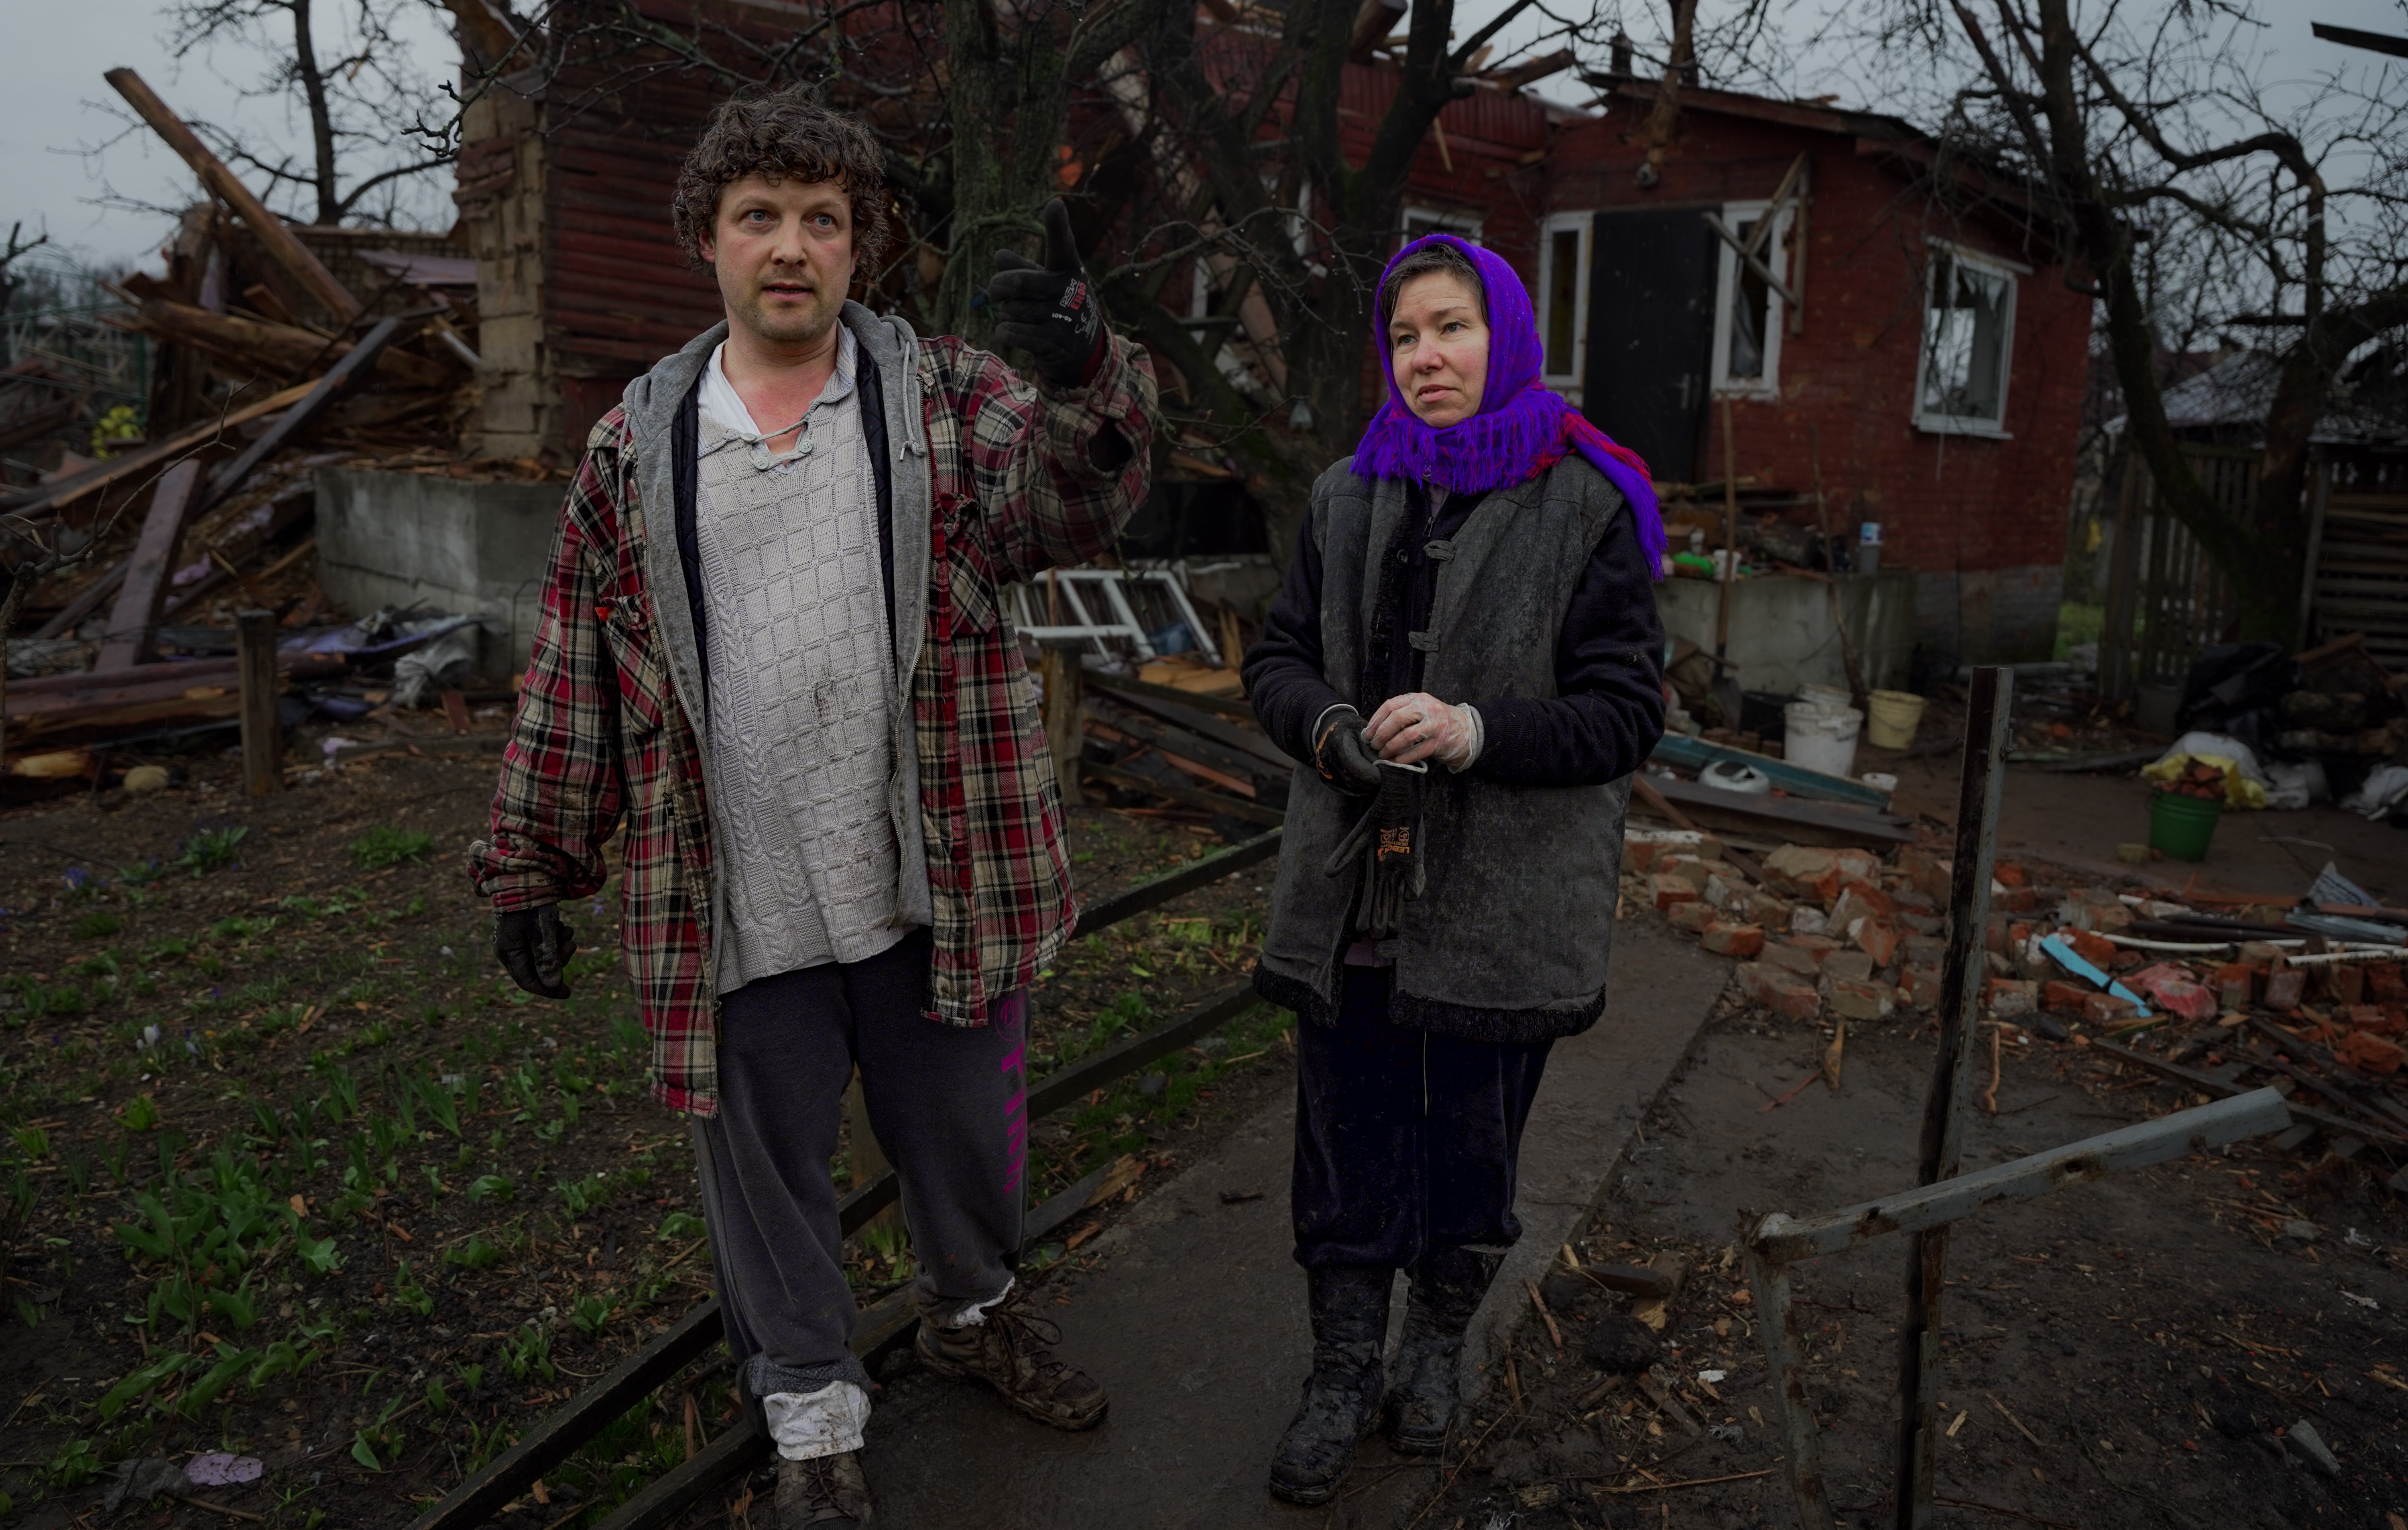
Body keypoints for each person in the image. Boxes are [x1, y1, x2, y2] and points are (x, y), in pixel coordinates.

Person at [468, 89, 1157, 1529]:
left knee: (964, 1143)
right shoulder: (634, 449)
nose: (793, 248)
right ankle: (811, 1412)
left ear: (862, 247)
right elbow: (575, 669)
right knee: (767, 1177)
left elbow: (1076, 503)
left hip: (933, 876)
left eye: (824, 222)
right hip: (738, 892)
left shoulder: (945, 401)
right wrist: (531, 859)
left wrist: (1097, 375)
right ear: (708, 243)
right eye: (760, 218)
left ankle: (970, 1319)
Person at [1241, 232, 1668, 1506]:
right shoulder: (1347, 496)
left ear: (1511, 338)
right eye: (1408, 336)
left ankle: (1434, 1350)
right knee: (1346, 1139)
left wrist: (1478, 732)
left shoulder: (1590, 502)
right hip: (1352, 893)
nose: (1428, 358)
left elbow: (1625, 712)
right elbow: (1274, 661)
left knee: (1469, 1142)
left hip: (1502, 901)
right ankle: (1339, 1374)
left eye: (1455, 330)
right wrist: (1326, 727)